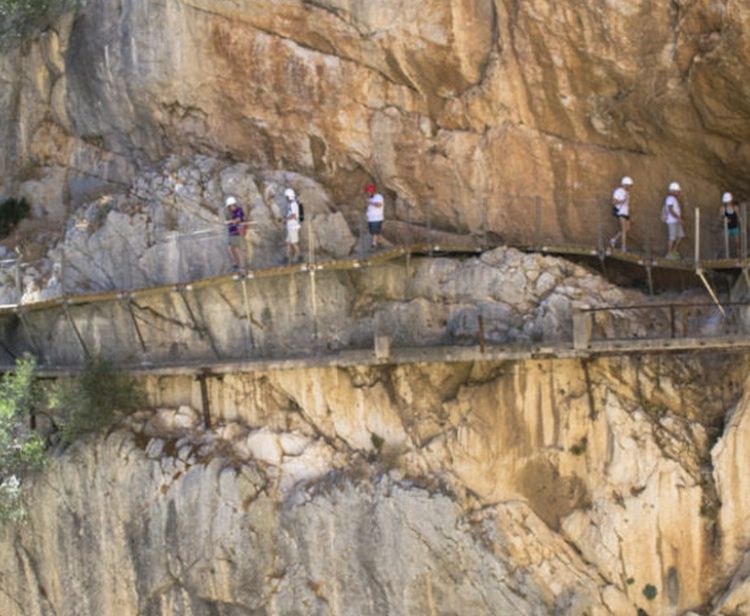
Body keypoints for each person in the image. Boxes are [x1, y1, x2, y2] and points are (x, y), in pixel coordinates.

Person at [609, 176, 633, 251]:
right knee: (623, 228)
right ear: (624, 184)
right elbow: (614, 202)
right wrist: (622, 201)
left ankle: (614, 239)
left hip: (626, 212)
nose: (629, 187)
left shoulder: (627, 192)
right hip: (620, 212)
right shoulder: (618, 191)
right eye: (628, 185)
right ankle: (623, 247)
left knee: (627, 228)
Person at [662, 181, 685, 259]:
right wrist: (678, 218)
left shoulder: (674, 199)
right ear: (673, 191)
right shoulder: (670, 198)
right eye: (677, 191)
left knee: (680, 236)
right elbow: (670, 209)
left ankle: (674, 251)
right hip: (672, 221)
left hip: (676, 221)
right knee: (672, 237)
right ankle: (669, 254)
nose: (678, 192)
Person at [224, 196, 246, 271]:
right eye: (229, 207)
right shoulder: (230, 212)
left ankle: (242, 266)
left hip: (237, 231)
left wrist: (229, 222)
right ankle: (235, 263)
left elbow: (238, 219)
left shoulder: (239, 210)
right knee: (230, 248)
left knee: (237, 249)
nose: (231, 208)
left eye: (231, 206)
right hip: (231, 232)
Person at [720, 192, 740, 258]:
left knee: (737, 243)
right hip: (727, 228)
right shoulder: (723, 209)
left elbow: (738, 216)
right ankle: (726, 257)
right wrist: (725, 220)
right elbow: (721, 218)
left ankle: (738, 257)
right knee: (725, 243)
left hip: (735, 227)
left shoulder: (735, 208)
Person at [365, 183, 385, 249]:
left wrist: (370, 202)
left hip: (377, 218)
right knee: (376, 231)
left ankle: (374, 244)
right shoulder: (370, 198)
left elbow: (379, 205)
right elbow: (369, 208)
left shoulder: (379, 197)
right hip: (371, 218)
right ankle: (379, 242)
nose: (368, 193)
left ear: (372, 191)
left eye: (368, 192)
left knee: (374, 232)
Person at [284, 188, 301, 263]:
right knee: (288, 242)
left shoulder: (294, 204)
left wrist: (286, 219)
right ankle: (287, 257)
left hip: (293, 226)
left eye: (286, 197)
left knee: (294, 243)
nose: (286, 198)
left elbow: (294, 215)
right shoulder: (291, 204)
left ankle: (299, 256)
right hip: (290, 226)